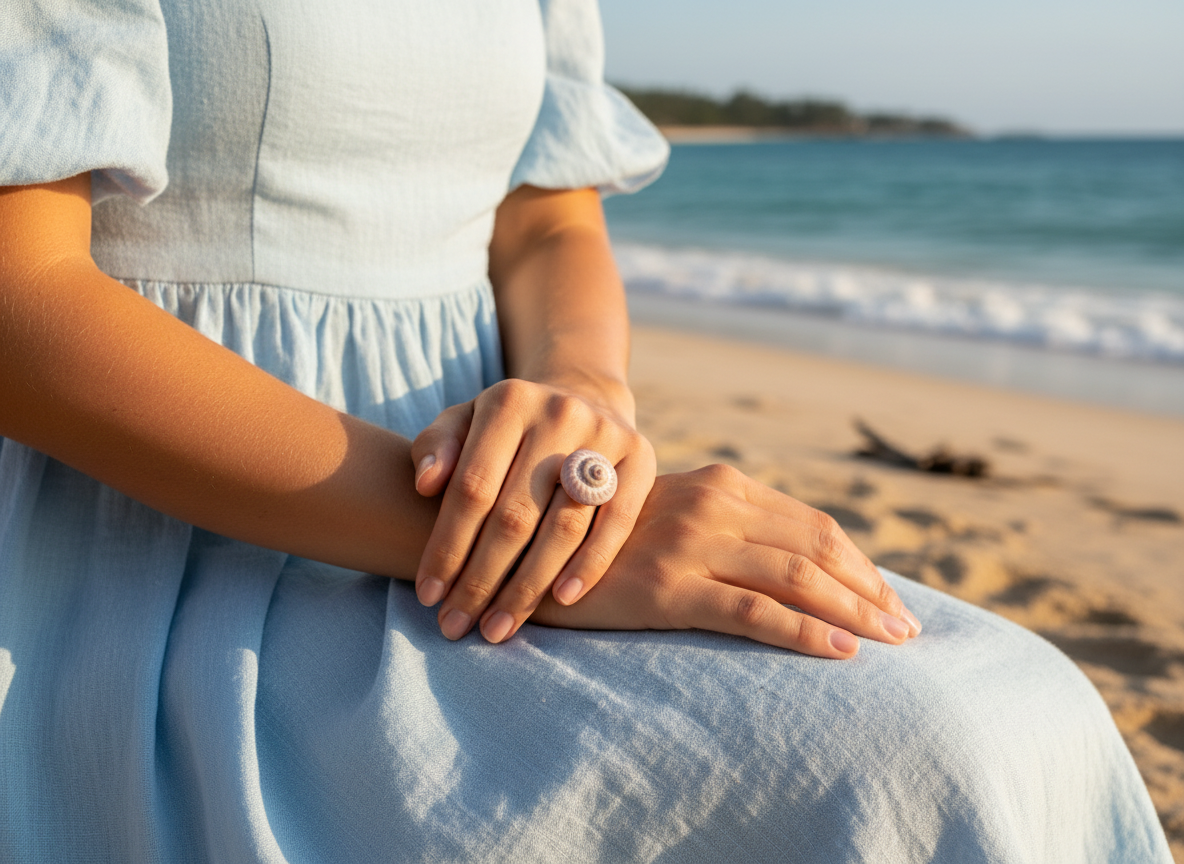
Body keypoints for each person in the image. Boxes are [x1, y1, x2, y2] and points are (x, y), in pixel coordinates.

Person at [0, 1, 1171, 861]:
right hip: (174, 546)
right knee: (925, 749)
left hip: (488, 507)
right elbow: (20, 302)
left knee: (1027, 707)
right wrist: (498, 546)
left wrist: (583, 422)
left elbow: (543, 221)